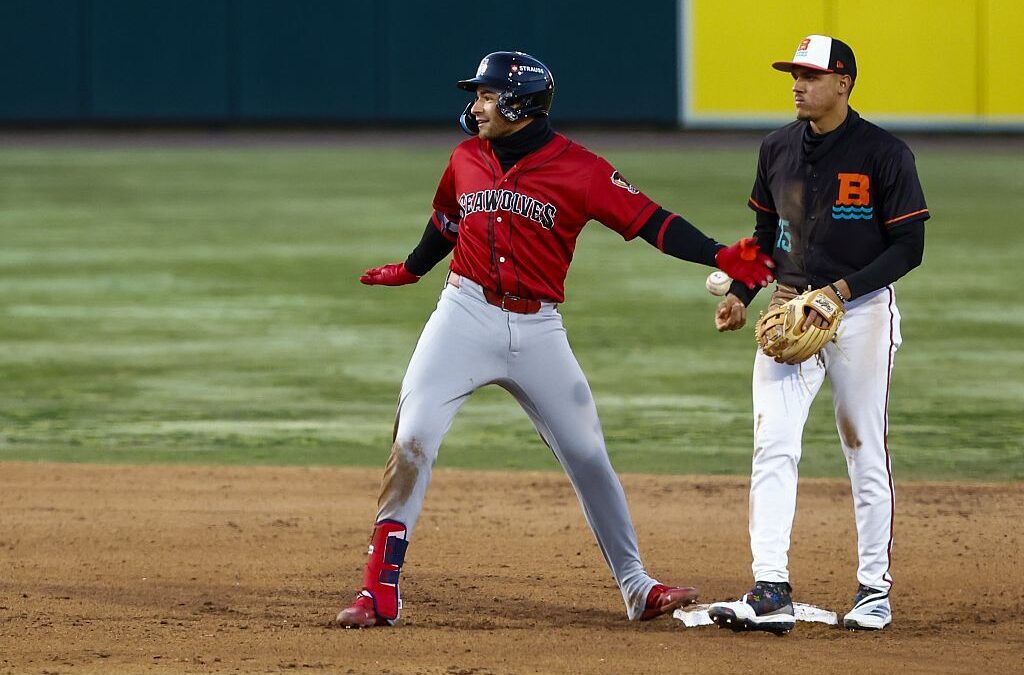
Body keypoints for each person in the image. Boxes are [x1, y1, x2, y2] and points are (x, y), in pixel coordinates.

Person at [335, 50, 775, 628]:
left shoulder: (582, 169)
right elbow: (447, 218)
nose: (476, 105)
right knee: (413, 438)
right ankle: (378, 592)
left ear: (518, 103)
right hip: (462, 315)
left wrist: (719, 255)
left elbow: (653, 222)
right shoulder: (467, 157)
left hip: (540, 328)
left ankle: (638, 587)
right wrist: (415, 268)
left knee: (588, 454)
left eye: (487, 96)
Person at [707, 35, 929, 633]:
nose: (798, 84)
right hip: (788, 309)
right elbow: (764, 233)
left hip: (860, 315)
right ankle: (770, 586)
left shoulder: (885, 153)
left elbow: (909, 246)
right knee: (772, 443)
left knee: (864, 448)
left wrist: (839, 294)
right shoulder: (776, 147)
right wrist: (740, 292)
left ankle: (873, 589)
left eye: (810, 75)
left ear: (844, 82)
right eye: (794, 75)